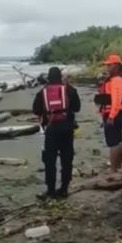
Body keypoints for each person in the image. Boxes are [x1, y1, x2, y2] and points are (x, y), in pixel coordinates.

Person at [33, 67, 81, 200]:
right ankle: (64, 188)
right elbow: (77, 108)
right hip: (67, 129)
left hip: (51, 129)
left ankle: (50, 190)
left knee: (50, 160)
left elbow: (35, 110)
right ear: (61, 76)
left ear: (48, 77)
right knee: (67, 159)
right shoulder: (69, 90)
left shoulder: (43, 92)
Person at [95, 54, 122, 173]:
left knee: (113, 142)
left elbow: (116, 100)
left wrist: (111, 116)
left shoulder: (117, 80)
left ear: (116, 65)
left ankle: (114, 170)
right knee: (118, 140)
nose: (107, 67)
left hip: (114, 113)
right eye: (107, 65)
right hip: (117, 112)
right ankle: (118, 167)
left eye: (109, 65)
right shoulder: (117, 78)